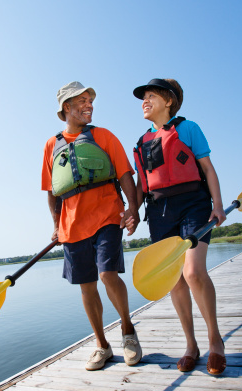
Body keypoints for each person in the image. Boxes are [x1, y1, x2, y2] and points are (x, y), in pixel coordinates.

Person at [41, 81, 142, 371]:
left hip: (107, 216)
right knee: (87, 287)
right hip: (72, 227)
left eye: (90, 100)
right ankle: (102, 345)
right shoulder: (51, 146)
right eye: (82, 101)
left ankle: (127, 332)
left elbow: (125, 175)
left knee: (108, 274)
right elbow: (51, 191)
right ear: (66, 108)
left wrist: (132, 210)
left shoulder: (104, 136)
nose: (89, 105)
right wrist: (56, 226)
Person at [131, 78, 227, 375]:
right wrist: (132, 211)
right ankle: (191, 345)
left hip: (193, 204)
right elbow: (139, 184)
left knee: (194, 271)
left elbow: (208, 169)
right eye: (142, 97)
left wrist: (218, 205)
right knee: (175, 280)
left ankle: (215, 342)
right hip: (159, 212)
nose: (144, 101)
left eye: (150, 96)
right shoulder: (141, 141)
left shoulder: (188, 128)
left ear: (168, 101)